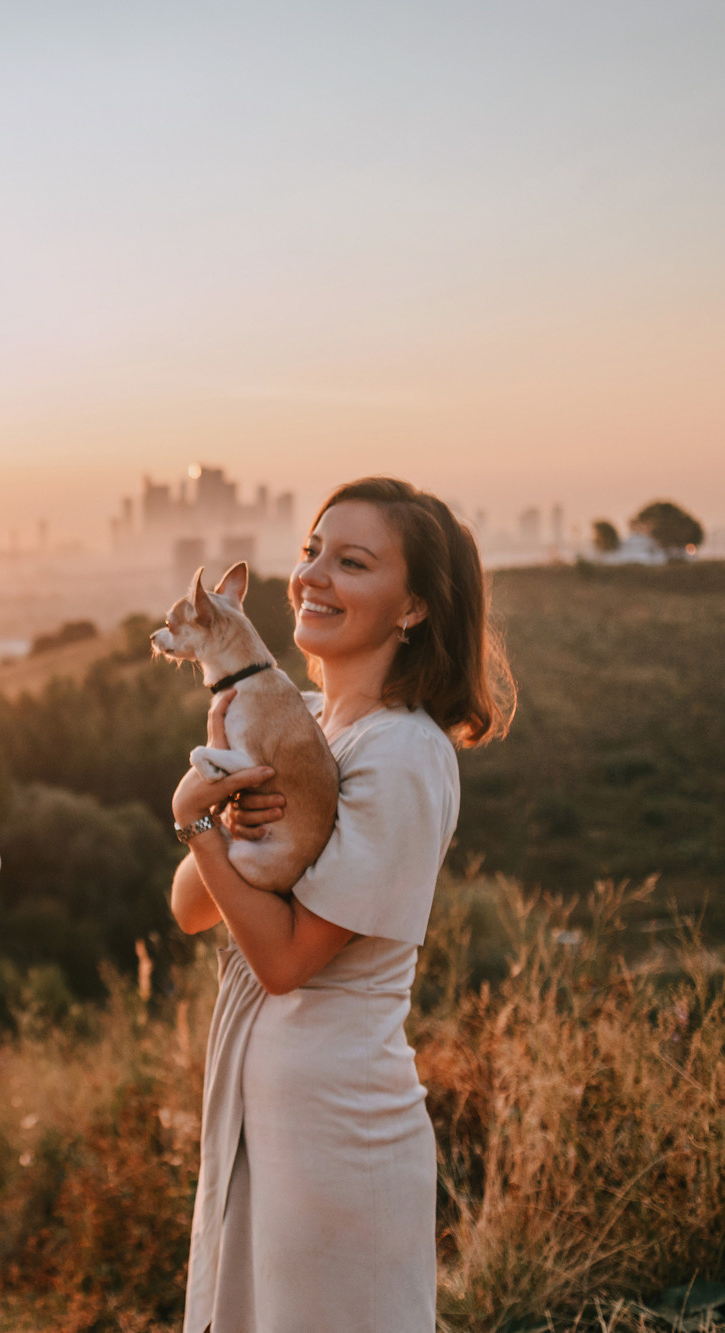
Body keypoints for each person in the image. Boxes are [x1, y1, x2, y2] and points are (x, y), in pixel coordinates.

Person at [168, 477, 515, 1333]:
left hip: (335, 1125)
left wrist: (198, 821)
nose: (313, 576)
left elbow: (284, 961)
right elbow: (191, 908)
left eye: (351, 561)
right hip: (263, 1108)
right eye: (311, 551)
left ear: (414, 609)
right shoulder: (304, 722)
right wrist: (209, 819)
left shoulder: (402, 756)